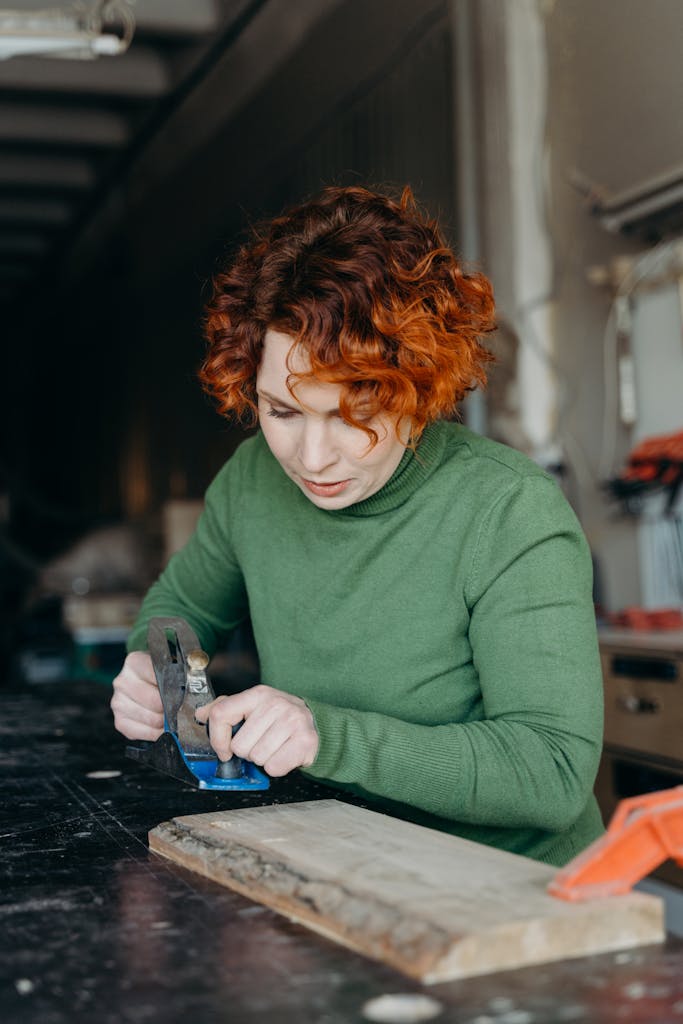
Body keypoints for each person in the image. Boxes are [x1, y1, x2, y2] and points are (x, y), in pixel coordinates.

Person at [111, 185, 604, 866]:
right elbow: (180, 610)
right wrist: (159, 673)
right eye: (282, 412)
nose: (311, 459)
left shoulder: (508, 511)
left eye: (355, 412)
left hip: (514, 897)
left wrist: (324, 737)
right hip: (342, 859)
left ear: (419, 386)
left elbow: (549, 773)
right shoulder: (251, 481)